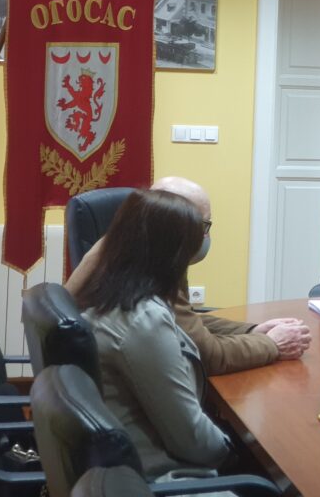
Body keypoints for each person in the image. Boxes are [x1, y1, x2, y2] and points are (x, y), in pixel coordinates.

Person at [66, 176, 311, 374]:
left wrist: (253, 331)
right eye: (203, 225)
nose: (205, 237)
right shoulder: (148, 267)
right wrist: (272, 344)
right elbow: (207, 355)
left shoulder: (130, 246)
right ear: (173, 220)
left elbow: (184, 320)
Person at [73, 189, 232, 481]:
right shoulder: (143, 321)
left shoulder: (104, 296)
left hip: (116, 467)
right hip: (161, 479)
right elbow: (194, 442)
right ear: (172, 254)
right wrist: (235, 448)